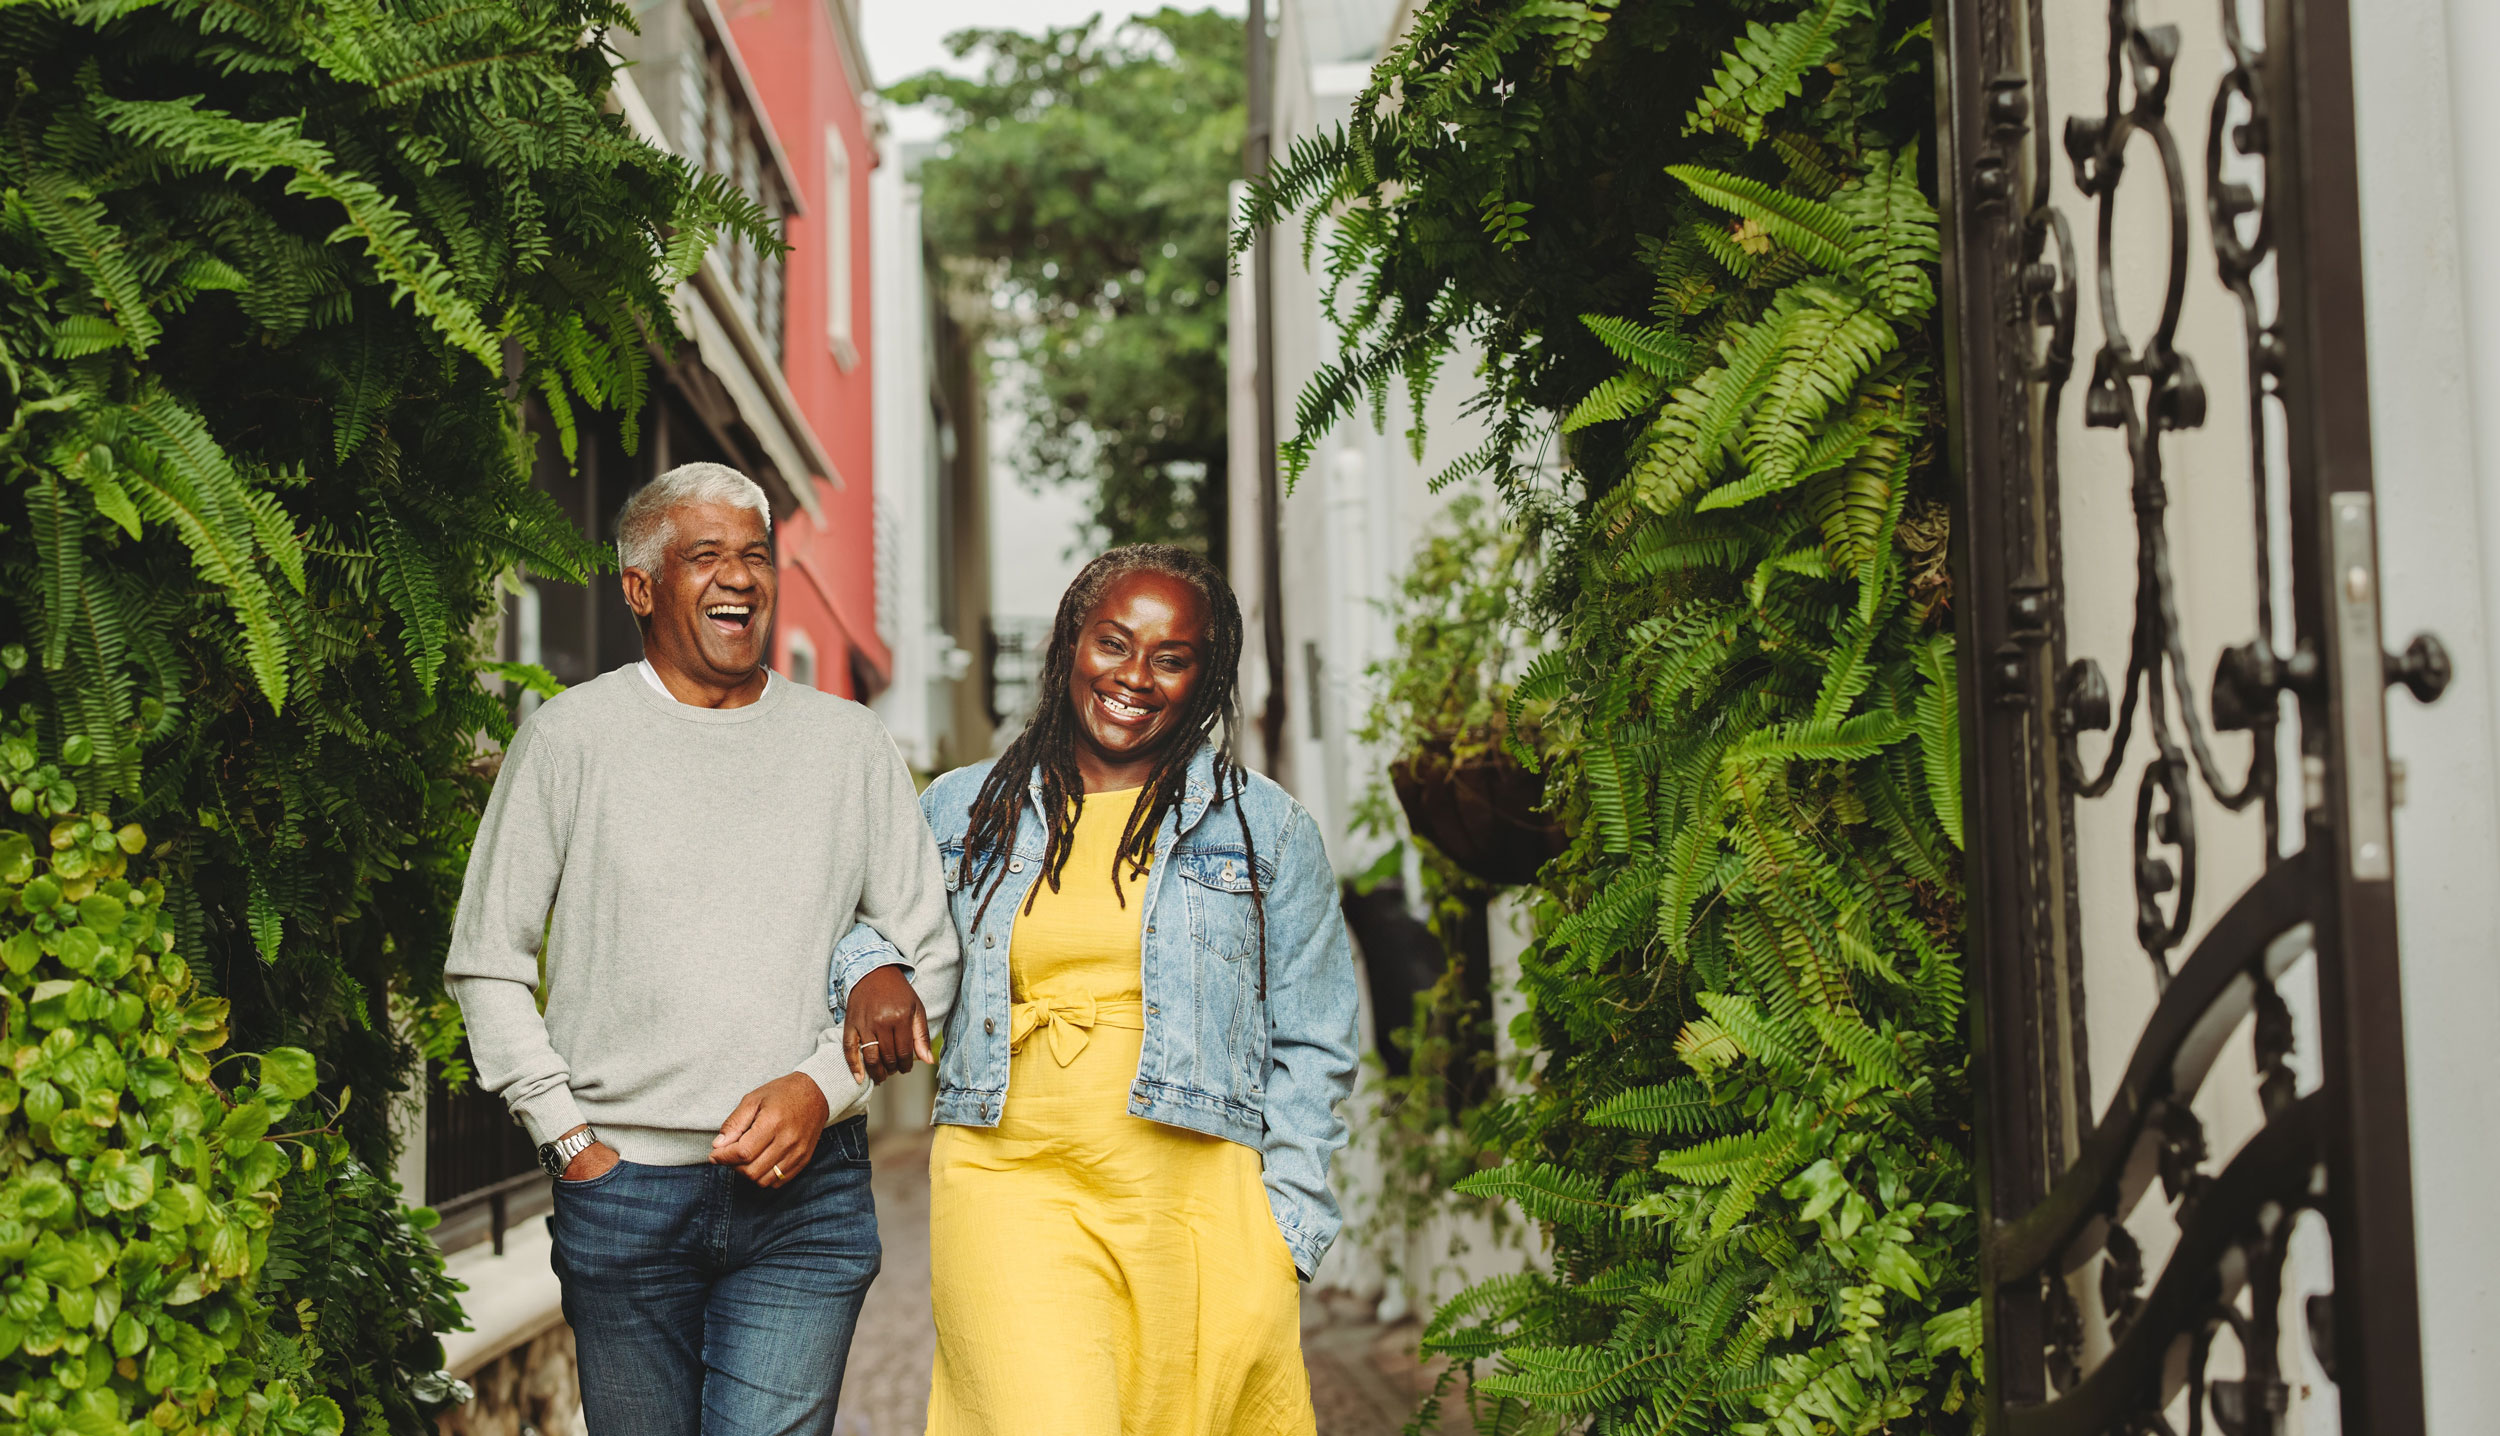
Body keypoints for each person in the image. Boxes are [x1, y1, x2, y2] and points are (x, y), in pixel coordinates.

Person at [445, 462, 958, 1436]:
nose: (740, 577)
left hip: (807, 1203)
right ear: (640, 586)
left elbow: (927, 952)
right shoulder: (568, 740)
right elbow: (488, 957)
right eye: (706, 555)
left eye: (756, 555)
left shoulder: (849, 746)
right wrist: (569, 1138)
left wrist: (818, 1084)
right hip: (622, 1192)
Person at [831, 544, 1360, 1435]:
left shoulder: (1265, 828)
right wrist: (871, 968)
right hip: (1010, 1181)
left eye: (1172, 657)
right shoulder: (963, 811)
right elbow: (864, 923)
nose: (1135, 677)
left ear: (1207, 674)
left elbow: (1314, 1041)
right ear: (1071, 643)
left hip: (1197, 1207)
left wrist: (1286, 1231)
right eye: (1114, 643)